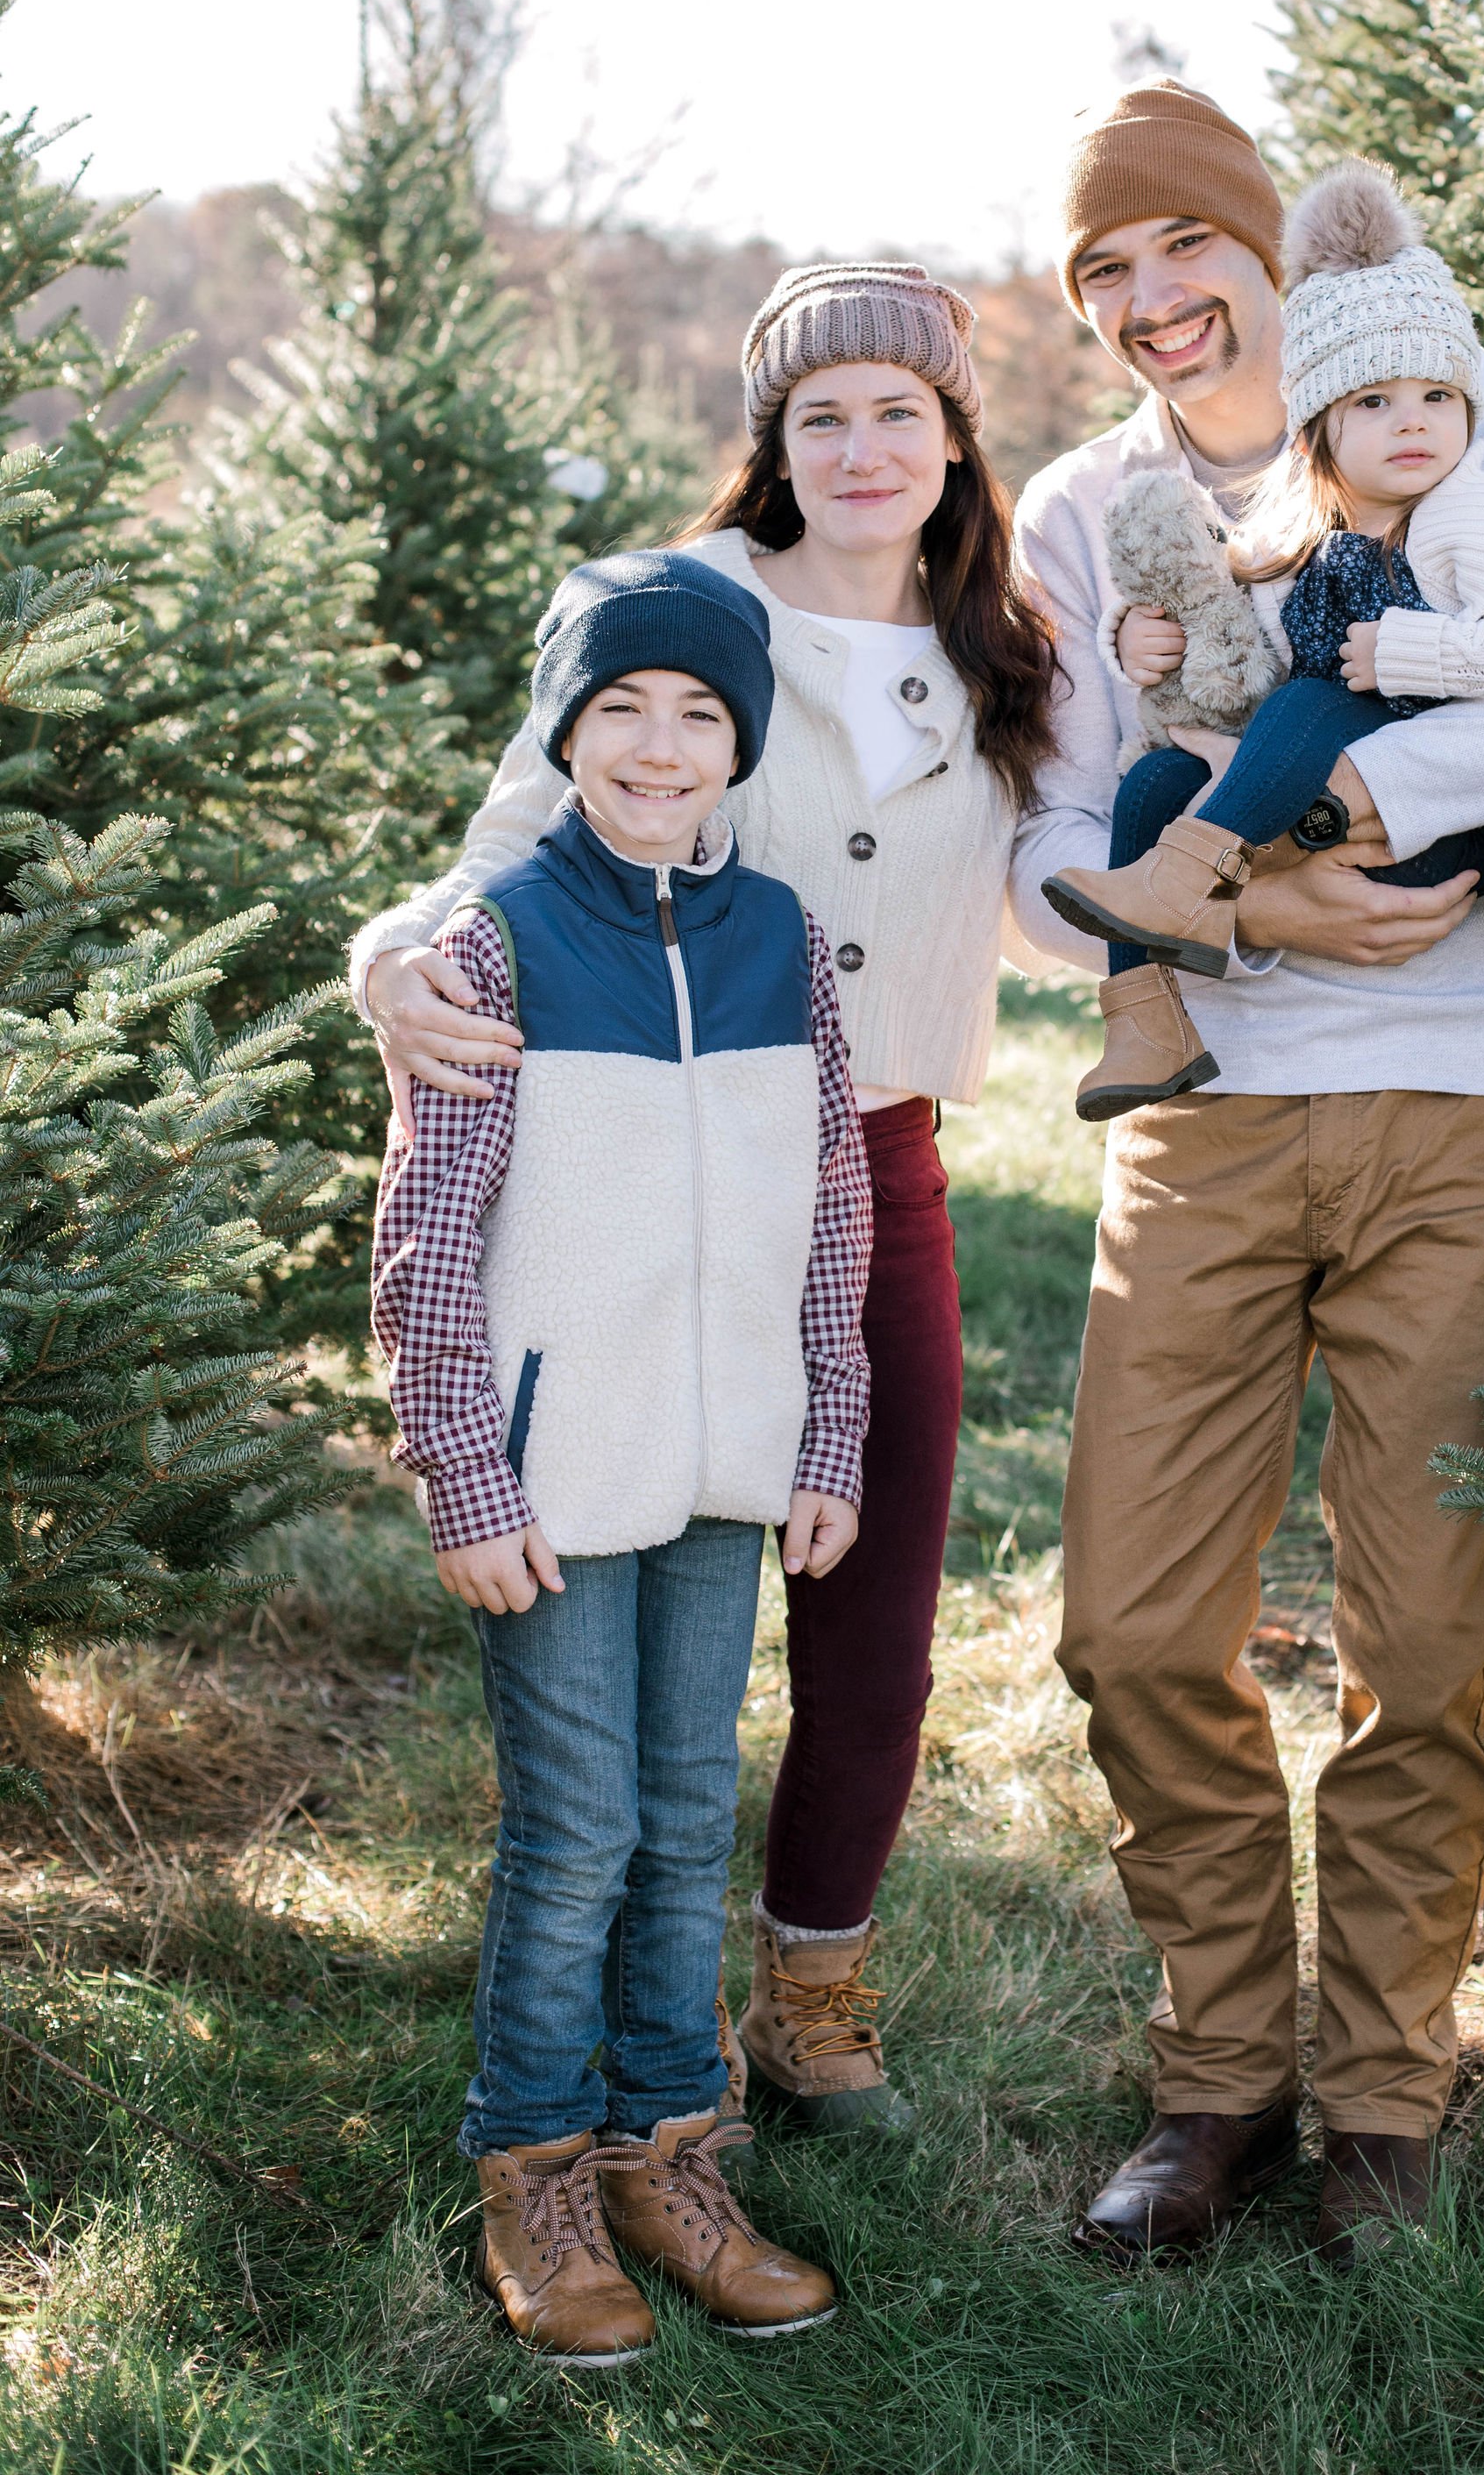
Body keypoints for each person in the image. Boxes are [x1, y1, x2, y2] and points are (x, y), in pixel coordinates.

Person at [1006, 82, 1484, 2268]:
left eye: (1177, 252)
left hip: (1463, 1114)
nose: (1145, 303)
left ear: (1262, 253)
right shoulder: (1081, 513)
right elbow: (1048, 857)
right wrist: (1255, 907)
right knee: (1126, 1621)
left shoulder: (1445, 422)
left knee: (1423, 1627)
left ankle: (1378, 2096)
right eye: (1099, 275)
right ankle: (1212, 2076)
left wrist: (1372, 797)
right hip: (1200, 1122)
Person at [351, 263, 1059, 2136]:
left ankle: (810, 1992)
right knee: (645, 1579)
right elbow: (508, 846)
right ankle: (584, 2013)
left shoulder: (1003, 646)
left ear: (952, 434)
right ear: (773, 444)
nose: (859, 445)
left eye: (897, 411)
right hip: (648, 1142)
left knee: (878, 1596)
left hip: (864, 1160)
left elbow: (1078, 859)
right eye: (819, 415)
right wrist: (383, 965)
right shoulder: (686, 620)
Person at [371, 553, 868, 2362]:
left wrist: (832, 1424)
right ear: (567, 730)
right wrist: (465, 1470)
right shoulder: (499, 937)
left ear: (738, 744)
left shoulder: (786, 942)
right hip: (556, 1473)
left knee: (681, 1825)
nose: (660, 746)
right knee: (573, 1833)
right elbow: (427, 1227)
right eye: (621, 712)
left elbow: (833, 1220)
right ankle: (537, 2171)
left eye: (700, 717)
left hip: (728, 1459)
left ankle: (671, 2150)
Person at [1045, 160, 1484, 1113]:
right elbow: (1233, 626)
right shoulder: (1299, 526)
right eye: (1373, 406)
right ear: (1320, 433)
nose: (1411, 425)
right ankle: (1145, 1024)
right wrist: (1131, 638)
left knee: (1317, 694)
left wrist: (1411, 657)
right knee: (1157, 779)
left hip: (1459, 845)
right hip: (1286, 864)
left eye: (1435, 401)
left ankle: (1187, 877)